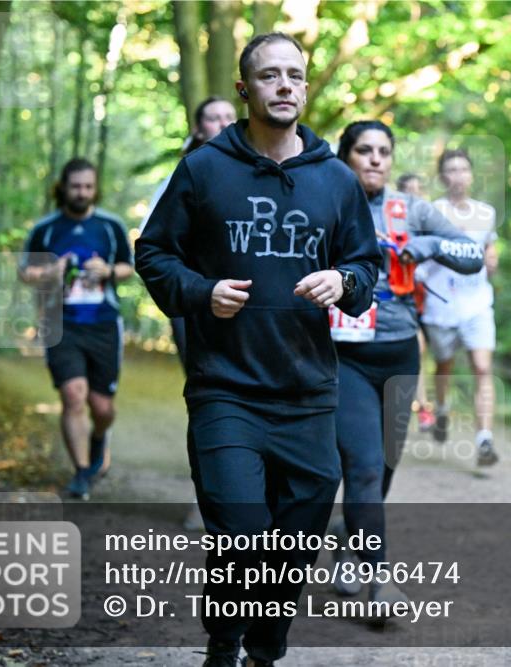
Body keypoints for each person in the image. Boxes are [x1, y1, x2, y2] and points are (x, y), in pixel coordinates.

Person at [135, 33, 380, 667]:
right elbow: (154, 252)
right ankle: (224, 641)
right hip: (226, 388)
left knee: (296, 544)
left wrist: (344, 281)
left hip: (307, 392)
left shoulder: (336, 180)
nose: (284, 85)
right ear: (245, 89)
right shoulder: (204, 169)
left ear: (306, 87)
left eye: (294, 74)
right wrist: (201, 291)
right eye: (270, 75)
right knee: (241, 532)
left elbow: (365, 266)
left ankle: (265, 649)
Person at [330, 121, 484, 607]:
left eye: (383, 151)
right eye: (364, 150)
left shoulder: (412, 209)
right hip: (343, 356)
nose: (375, 159)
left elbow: (472, 255)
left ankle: (348, 540)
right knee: (363, 466)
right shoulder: (324, 201)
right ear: (345, 156)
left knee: (385, 467)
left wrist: (430, 245)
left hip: (399, 353)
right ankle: (380, 579)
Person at [20, 158, 134, 501]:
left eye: (88, 187)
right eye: (76, 186)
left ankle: (99, 437)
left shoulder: (111, 226)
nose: (82, 193)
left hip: (104, 325)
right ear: (63, 188)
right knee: (72, 395)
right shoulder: (46, 229)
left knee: (102, 408)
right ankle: (82, 472)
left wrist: (108, 271)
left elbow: (129, 267)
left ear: (95, 189)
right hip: (60, 323)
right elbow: (25, 272)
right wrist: (48, 272)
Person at [139, 96, 238, 368]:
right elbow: (152, 245)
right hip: (194, 297)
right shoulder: (179, 178)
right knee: (203, 372)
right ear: (198, 130)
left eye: (229, 117)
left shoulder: (259, 173)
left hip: (244, 294)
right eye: (214, 118)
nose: (224, 124)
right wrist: (190, 288)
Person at [419, 148, 500, 465]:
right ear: (442, 177)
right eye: (451, 170)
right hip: (441, 306)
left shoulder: (485, 213)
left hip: (477, 303)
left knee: (482, 367)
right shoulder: (431, 212)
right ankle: (441, 411)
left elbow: (489, 247)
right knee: (444, 367)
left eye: (463, 169)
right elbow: (420, 254)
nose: (458, 176)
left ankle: (484, 439)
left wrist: (492, 260)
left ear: (471, 175)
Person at [395, 172, 436, 432]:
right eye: (408, 191)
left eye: (417, 191)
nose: (413, 196)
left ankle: (421, 407)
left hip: (424, 305)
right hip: (396, 300)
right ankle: (419, 407)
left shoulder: (431, 225)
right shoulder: (391, 224)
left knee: (419, 352)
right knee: (416, 348)